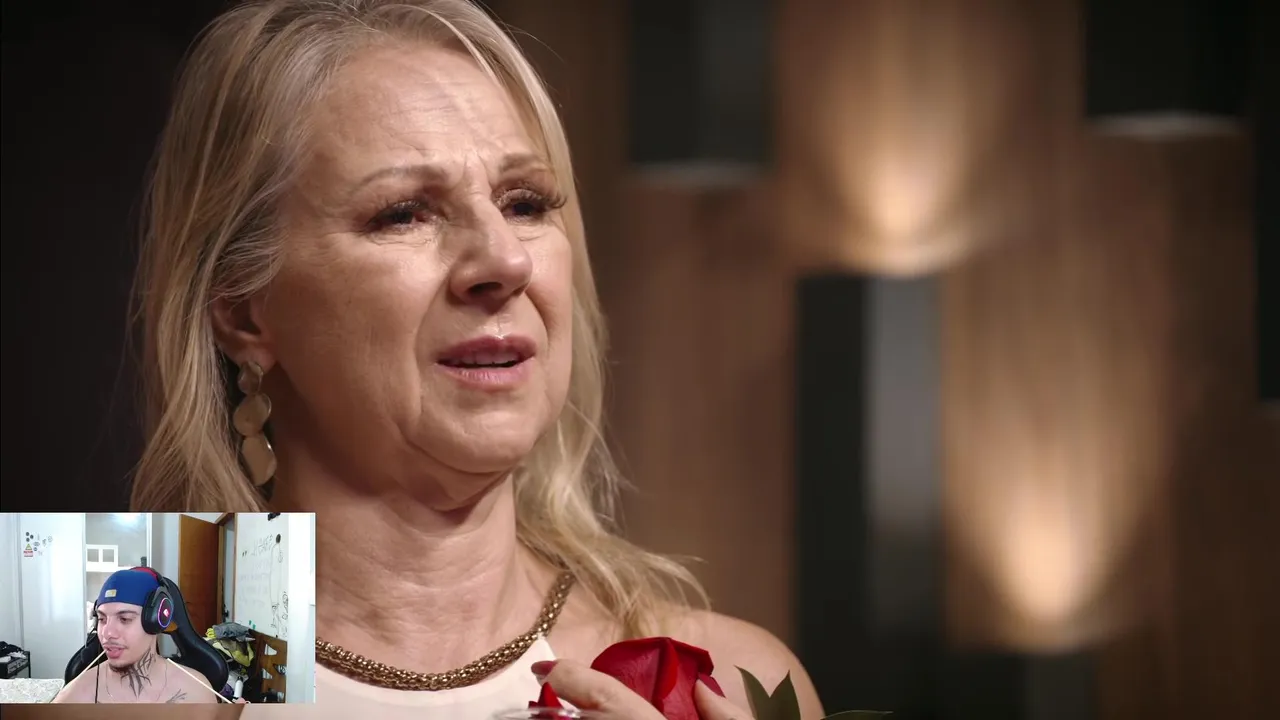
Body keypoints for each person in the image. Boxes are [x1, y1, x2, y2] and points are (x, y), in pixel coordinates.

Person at [129, 0, 825, 717]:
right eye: (402, 212)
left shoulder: (733, 678)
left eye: (525, 203)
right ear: (244, 311)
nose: (505, 260)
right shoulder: (114, 651)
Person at [53, 568, 219, 704]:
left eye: (124, 619)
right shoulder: (74, 697)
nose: (107, 633)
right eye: (102, 619)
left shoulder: (195, 692)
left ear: (156, 620)